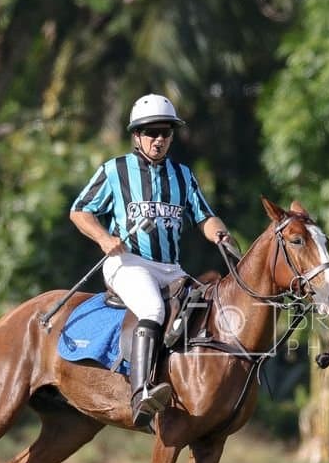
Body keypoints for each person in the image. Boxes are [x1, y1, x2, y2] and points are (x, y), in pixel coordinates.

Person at [70, 93, 241, 429]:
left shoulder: (183, 175)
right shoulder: (116, 170)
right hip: (127, 262)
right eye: (151, 132)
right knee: (153, 310)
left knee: (207, 309)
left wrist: (221, 234)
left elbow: (205, 217)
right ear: (136, 135)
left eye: (165, 132)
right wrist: (104, 238)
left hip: (170, 268)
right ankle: (142, 392)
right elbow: (79, 211)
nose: (159, 139)